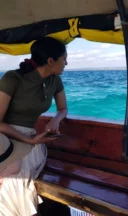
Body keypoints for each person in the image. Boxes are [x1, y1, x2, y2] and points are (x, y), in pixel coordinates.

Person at [0, 37, 68, 216]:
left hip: (31, 140)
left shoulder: (55, 81)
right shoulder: (12, 78)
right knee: (13, 179)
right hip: (5, 139)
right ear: (51, 61)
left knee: (15, 178)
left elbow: (63, 108)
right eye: (64, 59)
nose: (66, 63)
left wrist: (55, 120)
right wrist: (29, 140)